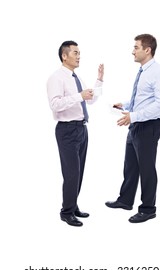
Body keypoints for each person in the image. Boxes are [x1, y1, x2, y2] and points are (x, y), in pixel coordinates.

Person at [105, 34, 160, 223]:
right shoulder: (143, 71)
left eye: (136, 47)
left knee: (146, 169)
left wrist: (133, 116)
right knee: (131, 166)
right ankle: (125, 200)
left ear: (147, 50)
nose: (132, 51)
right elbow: (143, 99)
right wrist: (126, 105)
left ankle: (148, 209)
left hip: (148, 126)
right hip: (135, 124)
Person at [47, 40, 104, 227]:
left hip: (81, 128)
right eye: (75, 53)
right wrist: (80, 96)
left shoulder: (75, 78)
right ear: (64, 56)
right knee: (71, 173)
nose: (79, 56)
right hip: (67, 130)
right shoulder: (57, 78)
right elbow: (55, 104)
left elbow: (90, 101)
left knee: (79, 172)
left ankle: (73, 206)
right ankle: (66, 212)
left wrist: (99, 80)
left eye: (80, 53)